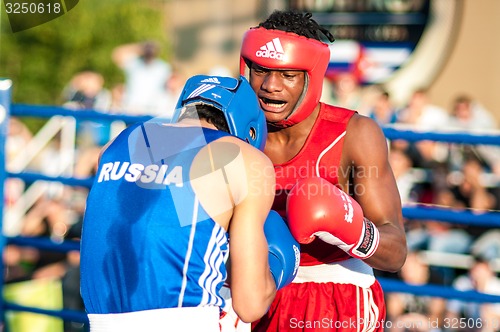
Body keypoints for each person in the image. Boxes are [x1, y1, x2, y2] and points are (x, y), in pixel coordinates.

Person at [79, 75, 300, 331]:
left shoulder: (115, 144)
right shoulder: (245, 159)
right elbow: (249, 305)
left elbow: (161, 229)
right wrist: (274, 266)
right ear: (251, 130)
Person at [239, 10, 407, 331]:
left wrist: (354, 231)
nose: (271, 86)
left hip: (334, 300)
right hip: (251, 290)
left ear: (310, 76)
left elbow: (396, 252)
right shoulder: (230, 131)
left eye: (288, 75)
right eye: (261, 70)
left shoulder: (353, 134)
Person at [111, 41, 173, 115]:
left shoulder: (163, 67)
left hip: (155, 111)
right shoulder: (134, 64)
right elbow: (117, 54)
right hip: (133, 110)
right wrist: (139, 47)